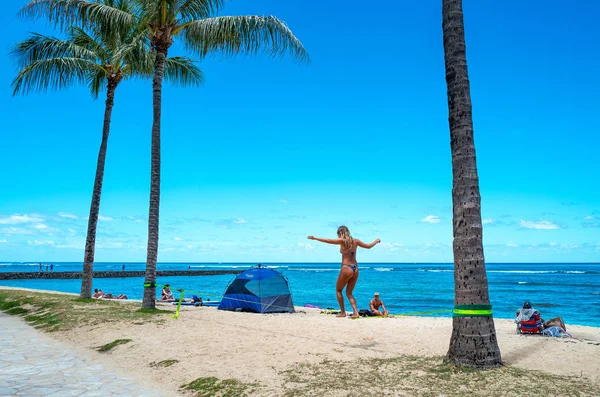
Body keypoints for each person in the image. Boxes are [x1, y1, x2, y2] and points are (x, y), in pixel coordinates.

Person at [308, 226, 381, 318]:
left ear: (340, 233)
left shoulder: (342, 241)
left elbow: (329, 240)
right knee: (349, 293)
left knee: (338, 290)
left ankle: (343, 312)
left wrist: (315, 238)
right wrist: (376, 241)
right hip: (355, 268)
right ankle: (356, 312)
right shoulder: (356, 241)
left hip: (346, 268)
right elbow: (368, 246)